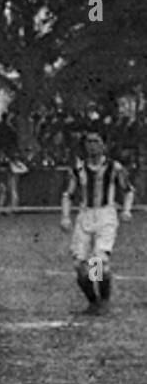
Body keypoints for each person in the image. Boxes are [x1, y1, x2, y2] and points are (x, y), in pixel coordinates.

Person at [61, 132, 134, 314]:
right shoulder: (78, 170)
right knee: (79, 265)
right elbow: (68, 195)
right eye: (89, 142)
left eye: (96, 142)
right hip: (85, 215)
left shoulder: (114, 168)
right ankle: (92, 301)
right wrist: (65, 216)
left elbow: (128, 190)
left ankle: (103, 301)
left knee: (98, 259)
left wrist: (126, 210)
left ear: (103, 146)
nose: (92, 146)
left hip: (106, 214)